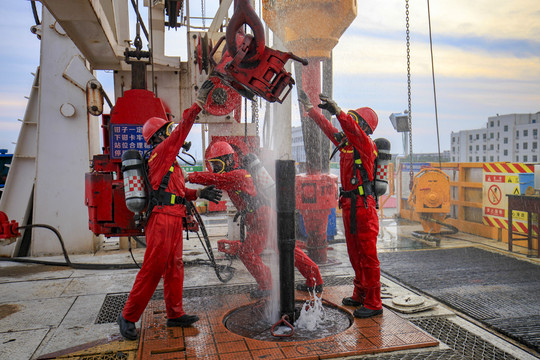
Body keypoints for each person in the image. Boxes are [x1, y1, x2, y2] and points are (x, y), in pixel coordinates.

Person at [117, 79, 223, 341]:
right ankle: (128, 316)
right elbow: (181, 132)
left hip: (174, 217)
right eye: (167, 130)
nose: (171, 132)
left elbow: (177, 193)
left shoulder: (171, 163)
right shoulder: (160, 153)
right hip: (162, 219)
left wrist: (199, 193)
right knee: (153, 269)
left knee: (175, 266)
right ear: (159, 136)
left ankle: (175, 314)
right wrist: (197, 105)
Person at [186, 141, 324, 298]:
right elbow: (217, 179)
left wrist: (189, 176)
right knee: (286, 249)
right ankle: (314, 278)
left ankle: (267, 285)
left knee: (248, 253)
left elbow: (216, 179)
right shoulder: (235, 175)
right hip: (263, 218)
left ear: (229, 160)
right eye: (214, 165)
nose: (216, 169)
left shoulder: (238, 175)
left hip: (262, 219)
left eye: (218, 164)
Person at [298, 90, 383, 318]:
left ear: (363, 126)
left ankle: (374, 303)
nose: (349, 126)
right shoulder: (347, 145)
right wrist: (311, 110)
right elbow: (328, 128)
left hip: (363, 206)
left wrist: (338, 111)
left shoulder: (366, 146)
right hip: (349, 204)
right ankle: (360, 293)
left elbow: (351, 129)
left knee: (367, 255)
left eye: (354, 121)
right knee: (354, 253)